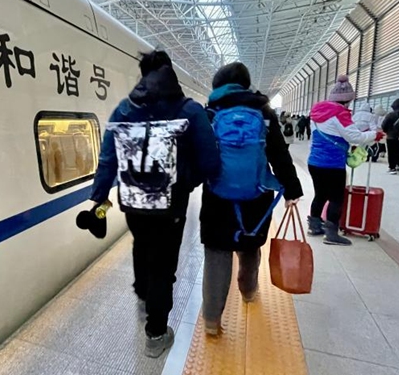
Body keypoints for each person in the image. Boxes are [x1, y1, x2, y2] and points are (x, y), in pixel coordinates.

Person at [87, 50, 219, 358]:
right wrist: (186, 182)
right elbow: (210, 162)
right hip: (170, 206)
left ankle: (144, 296)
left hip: (132, 202)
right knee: (163, 265)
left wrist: (98, 197)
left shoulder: (123, 109)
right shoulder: (191, 110)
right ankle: (156, 334)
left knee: (141, 245)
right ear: (170, 73)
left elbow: (108, 158)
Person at [199, 63, 303, 336]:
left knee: (217, 254)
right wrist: (292, 191)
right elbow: (280, 155)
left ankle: (211, 319)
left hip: (217, 197)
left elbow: (199, 155)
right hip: (256, 196)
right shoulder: (264, 112)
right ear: (246, 84)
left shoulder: (210, 112)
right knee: (249, 248)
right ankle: (248, 291)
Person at [307, 75, 382, 245]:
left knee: (320, 194)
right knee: (336, 198)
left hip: (314, 162)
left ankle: (314, 226)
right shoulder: (340, 113)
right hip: (332, 164)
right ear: (347, 100)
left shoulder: (317, 112)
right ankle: (331, 234)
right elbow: (354, 136)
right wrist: (374, 135)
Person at [381, 98, 399, 174]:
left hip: (391, 137)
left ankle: (392, 167)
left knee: (391, 152)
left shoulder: (390, 115)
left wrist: (387, 131)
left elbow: (384, 125)